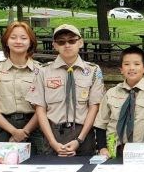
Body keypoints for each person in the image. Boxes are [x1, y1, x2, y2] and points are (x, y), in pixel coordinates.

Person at [26, 24, 104, 156]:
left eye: (72, 41)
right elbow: (40, 109)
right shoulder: (44, 71)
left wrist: (80, 139)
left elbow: (94, 107)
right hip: (53, 133)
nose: (67, 45)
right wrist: (52, 142)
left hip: (83, 134)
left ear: (80, 42)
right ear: (54, 45)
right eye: (61, 42)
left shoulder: (93, 70)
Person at [0, 21, 45, 155]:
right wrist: (13, 131)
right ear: (6, 42)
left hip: (35, 127)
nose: (18, 41)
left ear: (31, 42)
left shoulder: (41, 71)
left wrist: (25, 131)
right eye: (13, 37)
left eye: (23, 38)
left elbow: (44, 106)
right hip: (3, 127)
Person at [94, 46, 144, 157]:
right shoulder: (111, 93)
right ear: (121, 69)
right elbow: (101, 123)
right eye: (127, 64)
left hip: (139, 152)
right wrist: (102, 148)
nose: (131, 68)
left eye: (137, 64)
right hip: (112, 149)